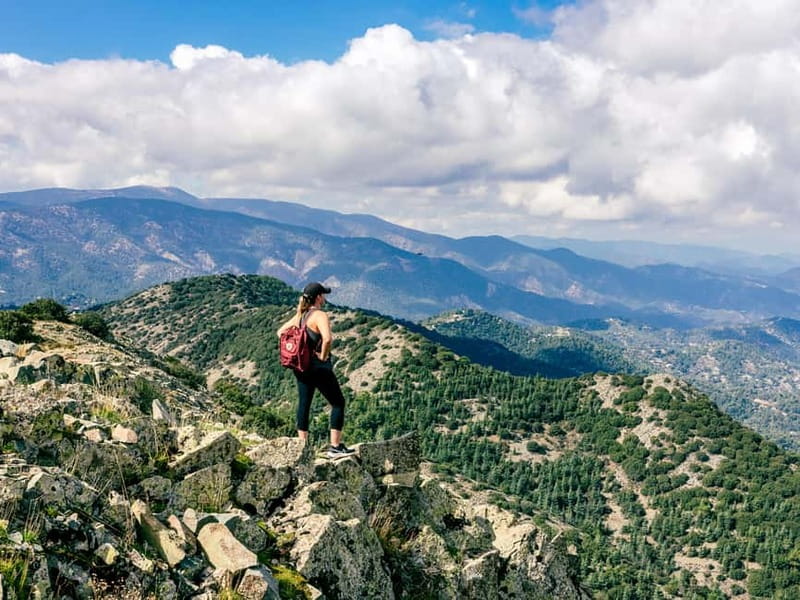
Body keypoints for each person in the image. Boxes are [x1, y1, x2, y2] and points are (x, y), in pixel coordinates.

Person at [277, 282, 355, 458]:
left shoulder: (300, 315)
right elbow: (327, 339)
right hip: (318, 368)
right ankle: (335, 447)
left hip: (301, 366)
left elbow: (280, 332)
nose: (325, 298)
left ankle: (302, 447)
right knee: (338, 402)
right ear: (318, 297)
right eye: (323, 295)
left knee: (304, 404)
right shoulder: (319, 315)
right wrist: (322, 356)